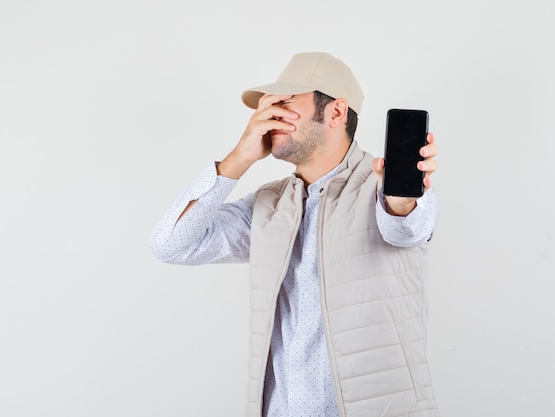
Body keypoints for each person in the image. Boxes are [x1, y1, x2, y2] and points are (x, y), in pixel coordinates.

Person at [150, 52, 441, 417]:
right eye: (267, 106)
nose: (267, 116)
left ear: (335, 112)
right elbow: (172, 244)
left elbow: (407, 227)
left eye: (285, 103)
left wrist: (402, 201)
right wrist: (239, 157)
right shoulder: (269, 205)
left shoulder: (385, 188)